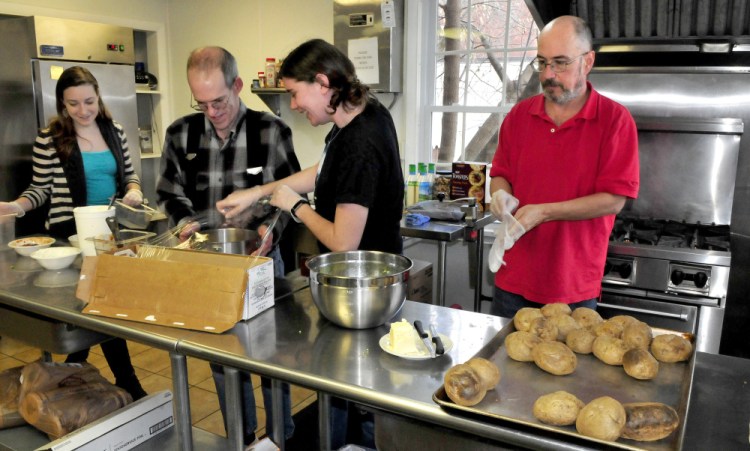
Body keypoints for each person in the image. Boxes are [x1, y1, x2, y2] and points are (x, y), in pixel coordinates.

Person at [218, 38, 404, 449]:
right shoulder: (360, 116)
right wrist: (258, 192)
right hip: (356, 290)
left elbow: (343, 242)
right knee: (342, 391)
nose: (295, 104)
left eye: (294, 93)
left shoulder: (360, 143)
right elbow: (322, 172)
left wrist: (296, 206)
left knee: (366, 397)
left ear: (322, 83)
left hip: (364, 293)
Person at [155, 46, 300, 447]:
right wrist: (186, 224)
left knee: (271, 358)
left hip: (261, 262)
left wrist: (268, 232)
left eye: (218, 101)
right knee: (222, 357)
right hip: (208, 264)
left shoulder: (271, 132)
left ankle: (279, 437)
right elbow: (168, 191)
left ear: (237, 85)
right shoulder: (180, 133)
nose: (212, 112)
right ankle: (242, 436)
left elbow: (288, 197)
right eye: (201, 103)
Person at [0, 66, 147, 400]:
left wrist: (134, 191)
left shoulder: (114, 131)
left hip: (110, 236)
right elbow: (40, 188)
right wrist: (16, 207)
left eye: (89, 101)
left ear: (98, 97)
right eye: (73, 104)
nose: (83, 111)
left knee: (100, 312)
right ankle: (126, 383)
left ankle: (64, 378)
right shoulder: (49, 138)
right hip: (70, 238)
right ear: (62, 104)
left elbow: (129, 176)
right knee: (98, 311)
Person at [488, 15, 640, 318]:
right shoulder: (519, 116)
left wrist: (545, 211)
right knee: (504, 364)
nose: (549, 74)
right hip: (513, 279)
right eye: (542, 62)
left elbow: (614, 200)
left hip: (573, 286)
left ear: (588, 61)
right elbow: (500, 174)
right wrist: (499, 195)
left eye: (560, 63)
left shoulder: (614, 121)